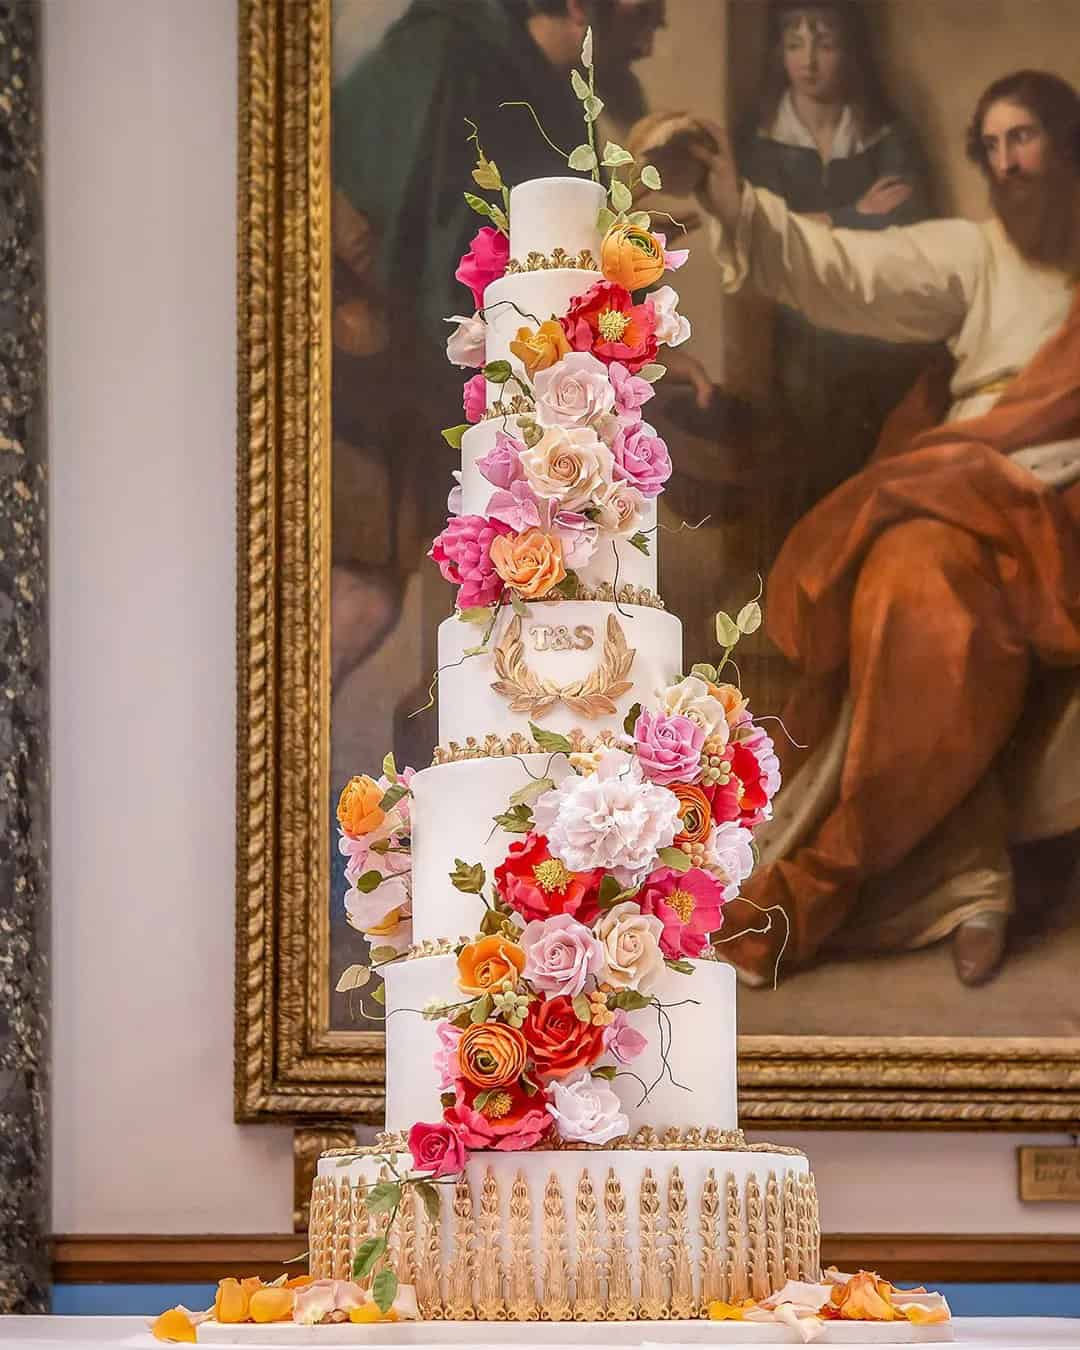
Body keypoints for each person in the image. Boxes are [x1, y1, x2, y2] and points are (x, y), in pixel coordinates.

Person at [661, 70, 1080, 987]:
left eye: (1027, 139)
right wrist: (727, 196)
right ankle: (955, 880)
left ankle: (843, 874)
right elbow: (847, 270)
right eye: (993, 144)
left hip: (1066, 514)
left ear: (1067, 146)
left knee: (935, 580)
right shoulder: (977, 256)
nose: (1008, 163)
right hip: (962, 490)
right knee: (906, 576)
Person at [329, 0, 666, 768]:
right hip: (366, 376)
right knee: (359, 598)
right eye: (644, 9)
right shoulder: (447, 56)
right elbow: (359, 210)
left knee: (441, 634)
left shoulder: (557, 106)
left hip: (448, 390)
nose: (657, 30)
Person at [736, 2, 935, 522]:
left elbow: (909, 226)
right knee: (814, 466)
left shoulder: (886, 136)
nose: (810, 61)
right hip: (803, 331)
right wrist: (857, 213)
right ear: (778, 52)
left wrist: (813, 223)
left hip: (879, 322)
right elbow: (764, 234)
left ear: (849, 52)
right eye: (795, 44)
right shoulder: (762, 142)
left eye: (825, 44)